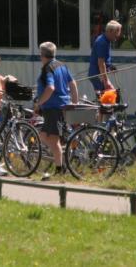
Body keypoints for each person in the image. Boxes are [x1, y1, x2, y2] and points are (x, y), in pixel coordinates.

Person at [34, 42, 78, 180]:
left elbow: (50, 88)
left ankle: (60, 169)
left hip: (52, 107)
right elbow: (73, 84)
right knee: (43, 135)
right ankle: (61, 153)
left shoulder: (48, 69)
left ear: (42, 55)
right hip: (62, 106)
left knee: (53, 140)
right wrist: (74, 102)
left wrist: (39, 103)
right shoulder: (62, 66)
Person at [88, 20, 122, 95]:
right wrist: (106, 81)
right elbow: (101, 63)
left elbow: (104, 60)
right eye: (115, 36)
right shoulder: (102, 42)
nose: (116, 39)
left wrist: (110, 66)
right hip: (97, 74)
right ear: (110, 31)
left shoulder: (106, 40)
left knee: (105, 95)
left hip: (97, 73)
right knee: (111, 94)